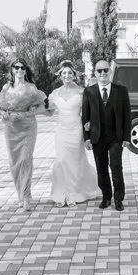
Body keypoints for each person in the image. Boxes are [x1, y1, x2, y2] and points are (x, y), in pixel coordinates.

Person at [43, 61, 99, 207]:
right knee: (61, 160)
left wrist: (90, 125)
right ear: (60, 75)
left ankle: (74, 194)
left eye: (69, 73)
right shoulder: (55, 93)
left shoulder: (82, 92)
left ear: (74, 75)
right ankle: (61, 194)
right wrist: (32, 108)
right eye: (64, 73)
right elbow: (49, 112)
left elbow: (90, 111)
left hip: (76, 130)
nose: (67, 75)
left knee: (75, 161)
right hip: (61, 131)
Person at [80, 55, 131, 210]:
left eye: (105, 70)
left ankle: (119, 199)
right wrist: (87, 138)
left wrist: (127, 137)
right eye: (99, 70)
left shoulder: (121, 90)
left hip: (116, 136)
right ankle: (106, 197)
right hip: (97, 136)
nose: (102, 73)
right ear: (95, 73)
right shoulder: (89, 92)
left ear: (110, 71)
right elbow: (85, 116)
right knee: (101, 167)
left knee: (116, 166)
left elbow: (127, 115)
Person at [0, 61, 45, 209]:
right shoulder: (6, 88)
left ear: (25, 70)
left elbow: (42, 107)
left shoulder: (31, 88)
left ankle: (26, 196)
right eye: (16, 67)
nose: (19, 70)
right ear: (12, 69)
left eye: (22, 67)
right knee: (14, 162)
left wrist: (27, 114)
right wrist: (3, 113)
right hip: (10, 128)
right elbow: (0, 108)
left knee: (25, 159)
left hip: (28, 126)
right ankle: (20, 195)